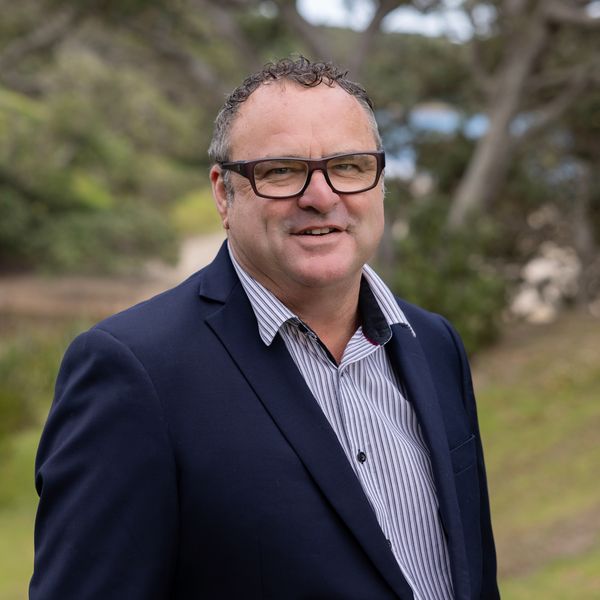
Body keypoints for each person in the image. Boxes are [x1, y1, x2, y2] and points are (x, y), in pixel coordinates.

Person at [30, 57, 500, 599]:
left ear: (379, 180)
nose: (321, 197)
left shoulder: (434, 344)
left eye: (349, 166)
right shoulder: (134, 371)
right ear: (223, 194)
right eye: (281, 171)